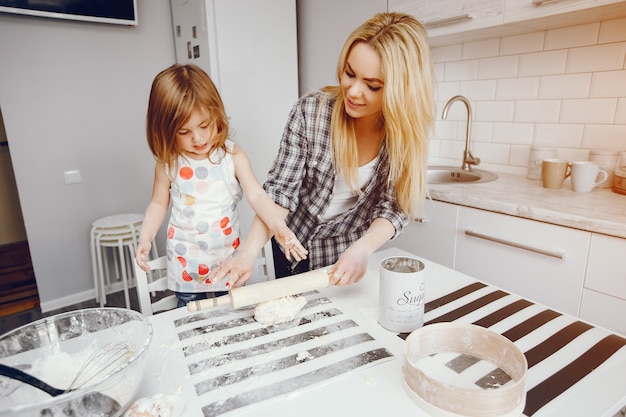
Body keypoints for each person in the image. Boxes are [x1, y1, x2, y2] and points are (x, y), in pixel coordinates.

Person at [213, 11, 435, 288]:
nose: (353, 91)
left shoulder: (404, 134)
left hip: (347, 254)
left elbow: (394, 207)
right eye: (349, 73)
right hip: (292, 245)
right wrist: (247, 252)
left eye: (372, 85)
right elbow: (281, 193)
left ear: (401, 90)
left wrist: (364, 248)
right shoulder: (311, 113)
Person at [135, 64, 307, 308]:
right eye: (184, 131)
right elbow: (157, 203)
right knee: (191, 326)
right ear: (165, 130)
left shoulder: (232, 156)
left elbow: (257, 195)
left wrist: (278, 225)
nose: (198, 138)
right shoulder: (168, 163)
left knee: (230, 320)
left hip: (228, 263)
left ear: (216, 114)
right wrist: (146, 236)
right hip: (186, 266)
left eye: (204, 126)